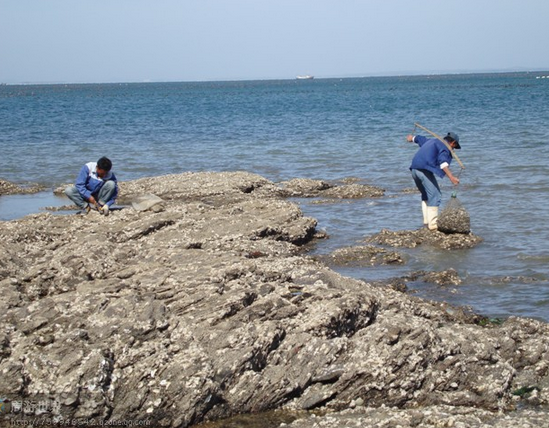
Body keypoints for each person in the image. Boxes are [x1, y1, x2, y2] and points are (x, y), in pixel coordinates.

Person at [406, 132, 461, 230]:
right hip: (423, 170)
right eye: (454, 147)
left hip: (414, 170)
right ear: (453, 143)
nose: (453, 150)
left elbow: (419, 139)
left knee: (426, 195)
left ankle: (426, 223)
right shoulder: (445, 148)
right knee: (435, 195)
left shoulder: (431, 141)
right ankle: (433, 226)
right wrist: (452, 177)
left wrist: (411, 138)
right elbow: (443, 164)